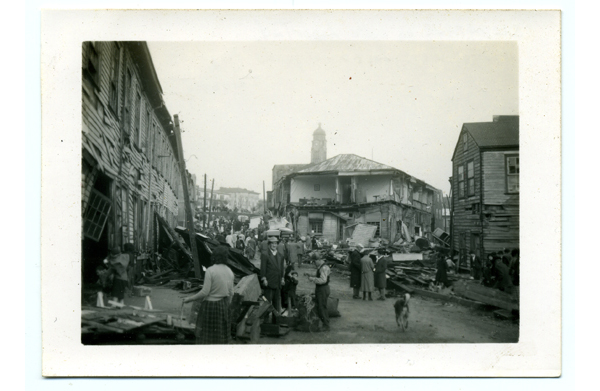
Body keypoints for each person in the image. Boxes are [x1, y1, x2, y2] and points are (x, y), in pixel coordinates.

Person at [183, 246, 234, 344]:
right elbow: (231, 293)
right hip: (224, 305)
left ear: (214, 257)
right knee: (220, 337)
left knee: (207, 337)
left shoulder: (211, 270)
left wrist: (190, 298)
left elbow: (204, 292)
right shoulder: (229, 271)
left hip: (210, 306)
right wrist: (226, 306)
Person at [305, 253, 331, 331]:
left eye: (314, 261)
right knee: (320, 306)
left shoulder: (324, 268)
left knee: (322, 307)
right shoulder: (321, 267)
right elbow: (319, 274)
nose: (313, 263)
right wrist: (309, 274)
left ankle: (326, 325)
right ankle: (325, 323)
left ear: (319, 260)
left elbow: (323, 280)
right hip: (321, 289)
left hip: (322, 289)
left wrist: (312, 279)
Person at [260, 236, 285, 313]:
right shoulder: (265, 254)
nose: (274, 245)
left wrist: (282, 278)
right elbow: (263, 268)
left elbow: (281, 268)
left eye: (276, 243)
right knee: (267, 304)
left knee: (277, 304)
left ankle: (276, 321)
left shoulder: (280, 255)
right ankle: (265, 321)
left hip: (277, 283)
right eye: (272, 243)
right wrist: (264, 278)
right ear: (269, 245)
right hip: (269, 282)